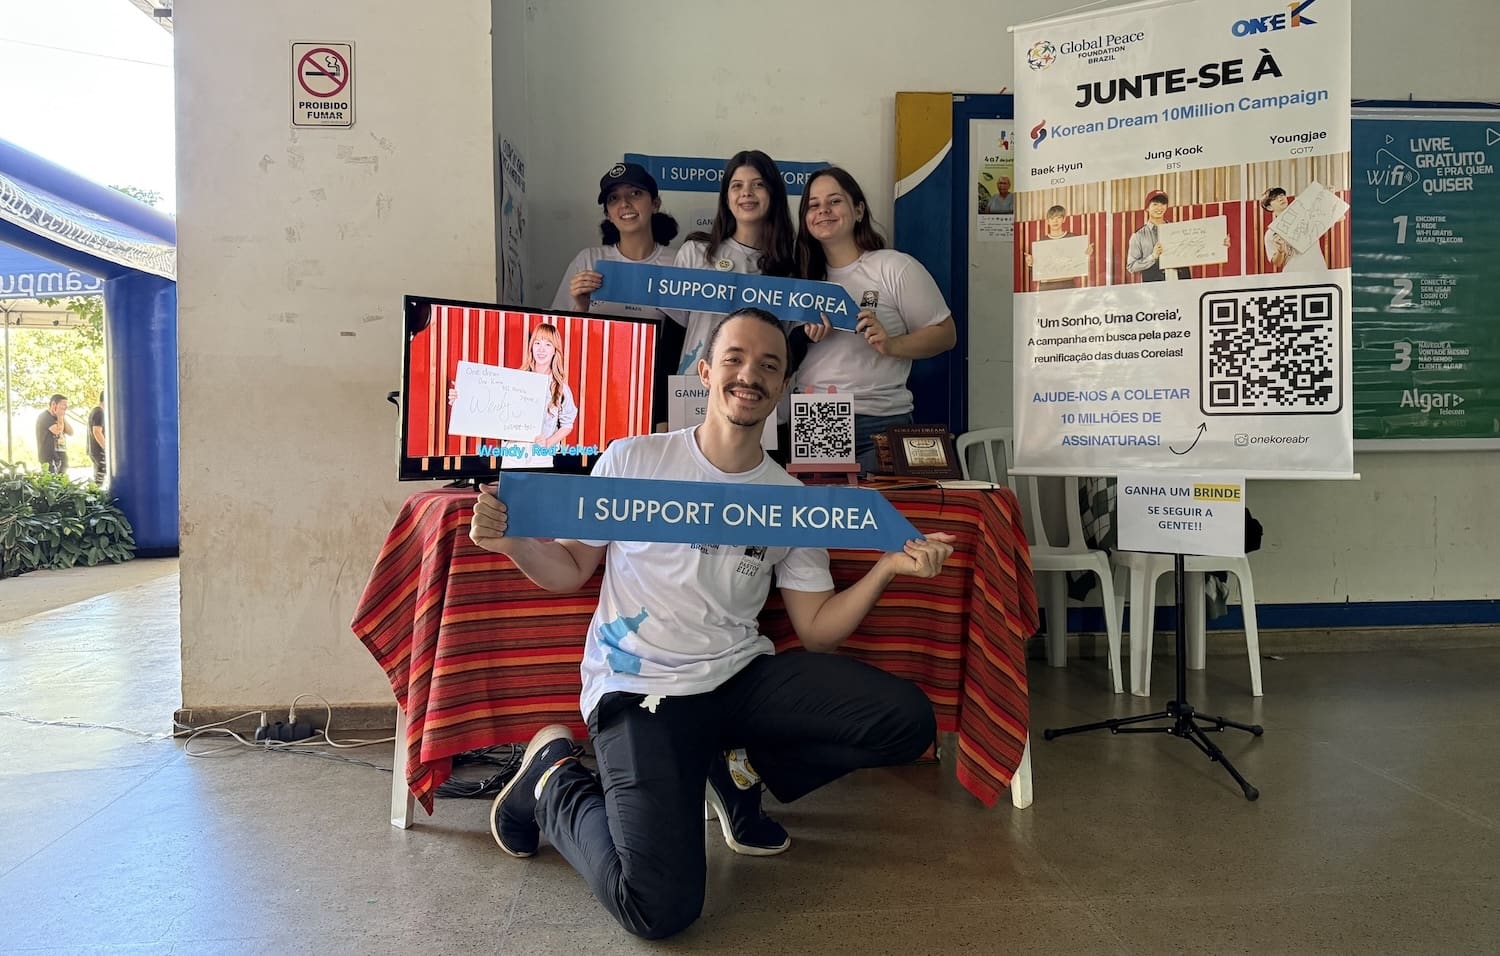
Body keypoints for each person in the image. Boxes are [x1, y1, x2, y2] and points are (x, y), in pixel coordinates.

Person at [469, 308, 954, 939]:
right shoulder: (632, 460)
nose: (750, 375)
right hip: (641, 687)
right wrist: (511, 543)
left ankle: (735, 770)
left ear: (782, 389)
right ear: (705, 372)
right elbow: (570, 568)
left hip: (738, 678)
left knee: (907, 720)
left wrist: (887, 569)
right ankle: (553, 781)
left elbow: (816, 631)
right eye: (735, 359)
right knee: (659, 910)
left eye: (769, 366)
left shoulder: (791, 500)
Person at [793, 167, 957, 473]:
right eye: (813, 205)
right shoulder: (798, 278)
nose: (823, 211)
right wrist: (803, 338)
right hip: (817, 414)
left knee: (886, 515)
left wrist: (892, 344)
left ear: (858, 210)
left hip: (881, 416)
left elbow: (945, 335)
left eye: (834, 201)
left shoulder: (893, 267)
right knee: (827, 516)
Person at [552, 162, 679, 317]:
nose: (624, 203)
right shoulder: (588, 261)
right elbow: (555, 332)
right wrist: (581, 308)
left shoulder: (678, 264)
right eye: (614, 198)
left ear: (655, 204)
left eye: (635, 193)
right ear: (608, 214)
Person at [503, 323, 577, 469]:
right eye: (537, 343)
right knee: (511, 491)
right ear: (531, 347)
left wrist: (548, 443)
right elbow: (492, 406)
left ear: (555, 350)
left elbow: (567, 424)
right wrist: (461, 398)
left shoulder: (561, 388)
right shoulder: (516, 379)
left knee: (535, 491)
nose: (541, 349)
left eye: (548, 344)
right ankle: (497, 489)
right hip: (513, 451)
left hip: (541, 456)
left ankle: (495, 489)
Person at [1025, 204, 1094, 291]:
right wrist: (1031, 263)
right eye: (1052, 218)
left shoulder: (1073, 238)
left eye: (1058, 217)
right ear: (1048, 221)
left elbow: (1080, 262)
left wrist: (1086, 254)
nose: (1055, 221)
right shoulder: (1041, 242)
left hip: (1068, 284)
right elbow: (1037, 270)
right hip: (1046, 287)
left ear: (1064, 219)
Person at [1260, 186, 1328, 273]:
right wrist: (1280, 250)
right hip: (1293, 273)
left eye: (1281, 195)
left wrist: (1330, 197)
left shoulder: (1307, 216)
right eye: (1275, 198)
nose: (1280, 199)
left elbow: (1340, 217)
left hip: (1317, 269)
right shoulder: (1271, 233)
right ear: (1269, 207)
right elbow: (1277, 263)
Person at [1125, 190, 1189, 282]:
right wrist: (1153, 256)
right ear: (1147, 208)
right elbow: (1131, 267)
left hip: (1180, 283)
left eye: (1163, 204)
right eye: (1155, 204)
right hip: (1155, 288)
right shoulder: (1138, 236)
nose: (1159, 208)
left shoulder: (1177, 230)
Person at [35, 394, 72, 475]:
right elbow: (58, 431)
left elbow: (70, 432)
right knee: (52, 481)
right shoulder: (45, 417)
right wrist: (60, 416)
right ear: (53, 404)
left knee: (62, 479)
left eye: (66, 405)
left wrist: (61, 416)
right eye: (63, 405)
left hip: (60, 454)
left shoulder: (59, 418)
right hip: (48, 456)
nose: (65, 407)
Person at [88, 392, 106, 485]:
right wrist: (107, 449)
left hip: (95, 451)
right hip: (100, 452)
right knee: (99, 481)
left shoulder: (95, 411)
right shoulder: (100, 412)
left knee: (99, 480)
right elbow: (97, 432)